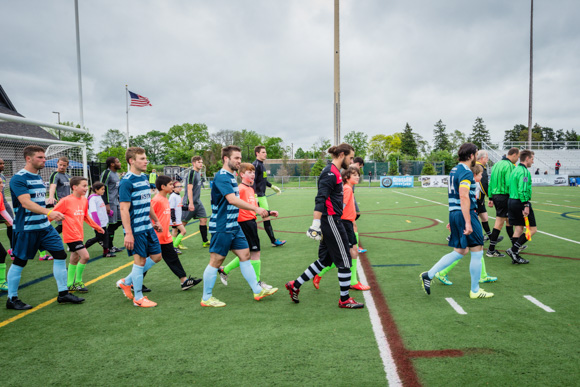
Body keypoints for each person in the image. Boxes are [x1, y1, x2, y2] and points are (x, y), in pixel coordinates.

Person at [285, 143, 365, 309]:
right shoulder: (330, 173)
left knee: (325, 261)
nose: (351, 162)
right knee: (345, 260)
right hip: (332, 221)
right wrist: (315, 224)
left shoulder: (334, 172)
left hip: (333, 220)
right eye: (350, 158)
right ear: (342, 154)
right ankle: (344, 300)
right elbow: (320, 198)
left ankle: (295, 284)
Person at [6, 145, 85, 310]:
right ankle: (12, 298)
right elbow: (25, 203)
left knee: (60, 254)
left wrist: (49, 205)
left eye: (44, 157)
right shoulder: (18, 178)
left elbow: (38, 201)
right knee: (20, 262)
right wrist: (49, 213)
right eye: (40, 157)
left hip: (44, 227)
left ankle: (63, 294)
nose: (44, 160)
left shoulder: (39, 178)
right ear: (29, 158)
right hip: (27, 229)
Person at [200, 146, 277, 307]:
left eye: (240, 158)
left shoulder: (230, 177)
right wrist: (257, 209)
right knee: (216, 260)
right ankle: (206, 298)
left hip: (234, 225)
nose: (239, 161)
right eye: (236, 158)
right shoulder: (221, 177)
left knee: (245, 255)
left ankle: (257, 290)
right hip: (222, 226)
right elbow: (232, 200)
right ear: (226, 159)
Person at [420, 143, 493, 299]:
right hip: (465, 214)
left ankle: (429, 274)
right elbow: (463, 196)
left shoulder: (454, 170)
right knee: (477, 250)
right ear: (472, 155)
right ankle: (475, 290)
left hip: (455, 213)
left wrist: (454, 219)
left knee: (460, 251)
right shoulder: (466, 172)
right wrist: (467, 221)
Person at [115, 147, 163, 308]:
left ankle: (126, 282)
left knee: (156, 256)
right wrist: (128, 233)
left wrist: (155, 220)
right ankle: (138, 298)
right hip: (135, 229)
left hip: (147, 226)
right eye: (142, 158)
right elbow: (123, 209)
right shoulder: (126, 181)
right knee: (140, 261)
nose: (145, 161)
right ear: (131, 161)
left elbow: (146, 202)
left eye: (145, 158)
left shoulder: (143, 178)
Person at [217, 163, 278, 290]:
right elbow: (233, 203)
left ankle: (225, 269)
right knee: (255, 253)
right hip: (244, 223)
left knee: (248, 253)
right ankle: (257, 283)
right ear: (242, 174)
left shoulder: (250, 189)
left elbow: (252, 207)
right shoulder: (241, 189)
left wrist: (268, 212)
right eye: (249, 172)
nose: (252, 175)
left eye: (253, 172)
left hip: (251, 222)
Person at [434, 163, 497, 285]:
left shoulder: (471, 182)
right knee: (465, 250)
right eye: (480, 174)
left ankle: (482, 275)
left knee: (472, 248)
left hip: (468, 216)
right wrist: (465, 221)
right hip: (468, 217)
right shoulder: (469, 182)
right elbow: (463, 202)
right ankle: (438, 273)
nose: (482, 176)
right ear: (475, 174)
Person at [311, 166, 371, 291]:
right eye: (354, 175)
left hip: (347, 223)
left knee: (349, 254)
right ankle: (352, 281)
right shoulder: (347, 189)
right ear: (346, 177)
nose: (357, 177)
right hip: (343, 223)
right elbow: (340, 207)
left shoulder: (348, 188)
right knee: (349, 254)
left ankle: (320, 274)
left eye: (358, 175)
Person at [52, 176, 105, 292]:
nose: (87, 188)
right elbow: (51, 213)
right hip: (71, 235)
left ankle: (70, 283)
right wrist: (44, 227)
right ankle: (78, 282)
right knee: (85, 256)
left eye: (87, 185)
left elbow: (86, 216)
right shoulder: (65, 201)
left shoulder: (84, 200)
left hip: (79, 234)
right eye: (84, 186)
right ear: (74, 187)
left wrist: (97, 227)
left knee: (75, 257)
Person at [150, 175, 202, 290]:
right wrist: (153, 226)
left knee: (173, 259)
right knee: (147, 260)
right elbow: (148, 215)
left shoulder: (165, 199)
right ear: (163, 187)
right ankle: (132, 281)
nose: (172, 186)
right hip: (155, 237)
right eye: (170, 185)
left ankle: (184, 281)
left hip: (165, 237)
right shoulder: (156, 199)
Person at [486, 148, 519, 258]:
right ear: (513, 155)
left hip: (496, 195)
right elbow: (510, 183)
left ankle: (515, 245)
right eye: (518, 157)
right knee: (500, 222)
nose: (518, 159)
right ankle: (491, 250)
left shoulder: (496, 164)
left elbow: (491, 183)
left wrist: (490, 197)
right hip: (504, 196)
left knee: (509, 220)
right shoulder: (509, 165)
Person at [506, 150, 536, 264]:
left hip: (511, 201)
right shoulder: (524, 172)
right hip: (520, 202)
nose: (533, 162)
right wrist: (526, 204)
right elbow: (522, 189)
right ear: (527, 159)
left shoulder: (515, 170)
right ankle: (513, 250)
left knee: (518, 228)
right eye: (532, 159)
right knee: (532, 229)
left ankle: (515, 255)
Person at [252, 146, 286, 247]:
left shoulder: (262, 165)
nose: (265, 154)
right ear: (257, 153)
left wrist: (272, 186)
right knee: (248, 219)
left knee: (266, 217)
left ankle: (273, 240)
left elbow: (263, 180)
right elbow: (252, 181)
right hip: (256, 196)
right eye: (263, 152)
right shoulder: (256, 165)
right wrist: (254, 196)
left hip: (262, 196)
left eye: (265, 152)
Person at [40, 156, 71, 261]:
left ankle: (46, 243)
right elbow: (53, 186)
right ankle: (44, 243)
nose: (62, 167)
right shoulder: (55, 175)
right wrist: (51, 196)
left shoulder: (67, 176)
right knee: (62, 225)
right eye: (60, 164)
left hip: (68, 205)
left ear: (67, 165)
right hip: (59, 205)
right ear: (57, 164)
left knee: (65, 225)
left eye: (64, 165)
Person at [181, 156, 209, 248]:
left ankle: (205, 241)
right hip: (190, 202)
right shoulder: (192, 173)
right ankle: (176, 242)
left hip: (198, 202)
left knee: (204, 219)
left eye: (201, 162)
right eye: (199, 162)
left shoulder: (198, 173)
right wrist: (191, 203)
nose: (201, 164)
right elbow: (189, 189)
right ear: (194, 163)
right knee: (183, 223)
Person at [85, 182, 115, 257]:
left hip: (103, 222)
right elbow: (93, 212)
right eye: (102, 189)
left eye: (104, 189)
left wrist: (109, 212)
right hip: (98, 223)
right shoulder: (93, 199)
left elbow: (101, 207)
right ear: (96, 190)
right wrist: (97, 224)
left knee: (105, 237)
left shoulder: (99, 196)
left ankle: (106, 252)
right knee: (99, 237)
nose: (103, 191)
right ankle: (83, 248)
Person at [100, 156, 123, 253]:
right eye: (118, 161)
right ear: (112, 164)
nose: (120, 163)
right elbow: (101, 188)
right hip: (110, 203)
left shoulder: (115, 174)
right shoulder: (107, 173)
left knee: (119, 221)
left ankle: (104, 240)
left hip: (116, 202)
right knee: (112, 224)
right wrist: (106, 204)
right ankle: (108, 245)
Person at [0, 178, 14, 291]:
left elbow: (3, 211)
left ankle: (1, 282)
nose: (2, 185)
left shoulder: (0, 195)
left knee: (1, 253)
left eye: (2, 183)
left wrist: (14, 224)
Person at [351, 157, 367, 254]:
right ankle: (355, 246)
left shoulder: (350, 169)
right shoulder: (349, 170)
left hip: (350, 196)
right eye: (360, 167)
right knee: (352, 222)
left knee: (356, 216)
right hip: (348, 196)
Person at [0, 158, 14, 259]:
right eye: (0, 164)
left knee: (12, 225)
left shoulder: (3, 177)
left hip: (4, 204)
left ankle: (13, 249)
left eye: (3, 163)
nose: (2, 165)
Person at [169, 180, 186, 254]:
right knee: (183, 231)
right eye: (177, 186)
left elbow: (179, 207)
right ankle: (174, 247)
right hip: (175, 219)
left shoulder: (178, 195)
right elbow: (171, 208)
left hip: (177, 218)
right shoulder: (173, 196)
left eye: (180, 186)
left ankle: (172, 247)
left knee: (174, 232)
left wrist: (188, 208)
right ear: (173, 188)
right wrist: (173, 220)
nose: (180, 188)